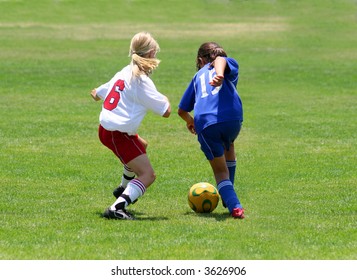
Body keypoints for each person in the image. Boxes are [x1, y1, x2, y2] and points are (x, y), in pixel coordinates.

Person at [91, 32, 171, 220]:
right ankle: (117, 208)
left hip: (106, 130)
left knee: (141, 145)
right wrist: (166, 99)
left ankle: (123, 189)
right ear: (151, 53)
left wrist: (96, 94)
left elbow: (98, 93)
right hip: (117, 134)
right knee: (148, 175)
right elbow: (166, 111)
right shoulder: (141, 82)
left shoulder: (124, 71)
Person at [178, 42, 245, 219]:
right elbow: (222, 60)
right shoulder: (232, 64)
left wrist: (190, 121)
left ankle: (235, 206)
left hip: (207, 124)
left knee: (220, 172)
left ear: (201, 60)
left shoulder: (199, 75)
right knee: (229, 145)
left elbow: (182, 110)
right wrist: (222, 75)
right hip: (233, 119)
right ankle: (228, 195)